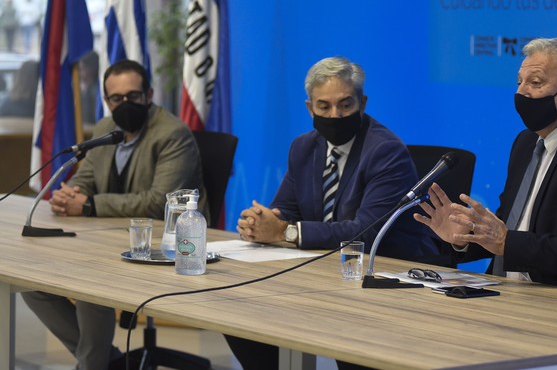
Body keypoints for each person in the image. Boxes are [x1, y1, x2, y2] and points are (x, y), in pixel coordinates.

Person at [229, 56, 437, 370]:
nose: (334, 115)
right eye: (324, 106)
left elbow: (365, 232)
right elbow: (286, 208)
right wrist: (260, 223)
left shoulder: (385, 151)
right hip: (326, 271)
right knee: (238, 310)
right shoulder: (304, 147)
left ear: (363, 103)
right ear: (309, 108)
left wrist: (285, 232)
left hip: (386, 277)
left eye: (345, 105)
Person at [21, 60, 208, 370]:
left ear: (148, 94)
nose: (125, 104)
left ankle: (92, 365)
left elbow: (157, 202)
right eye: (116, 99)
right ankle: (106, 362)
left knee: (89, 290)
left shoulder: (173, 134)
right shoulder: (107, 128)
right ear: (106, 101)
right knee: (31, 283)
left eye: (133, 96)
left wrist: (90, 205)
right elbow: (86, 179)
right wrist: (70, 195)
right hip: (105, 239)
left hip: (163, 244)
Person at [415, 38, 557, 293]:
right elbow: (511, 227)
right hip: (505, 290)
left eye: (535, 82)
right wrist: (465, 237)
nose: (521, 93)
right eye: (519, 82)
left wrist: (507, 242)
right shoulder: (526, 143)